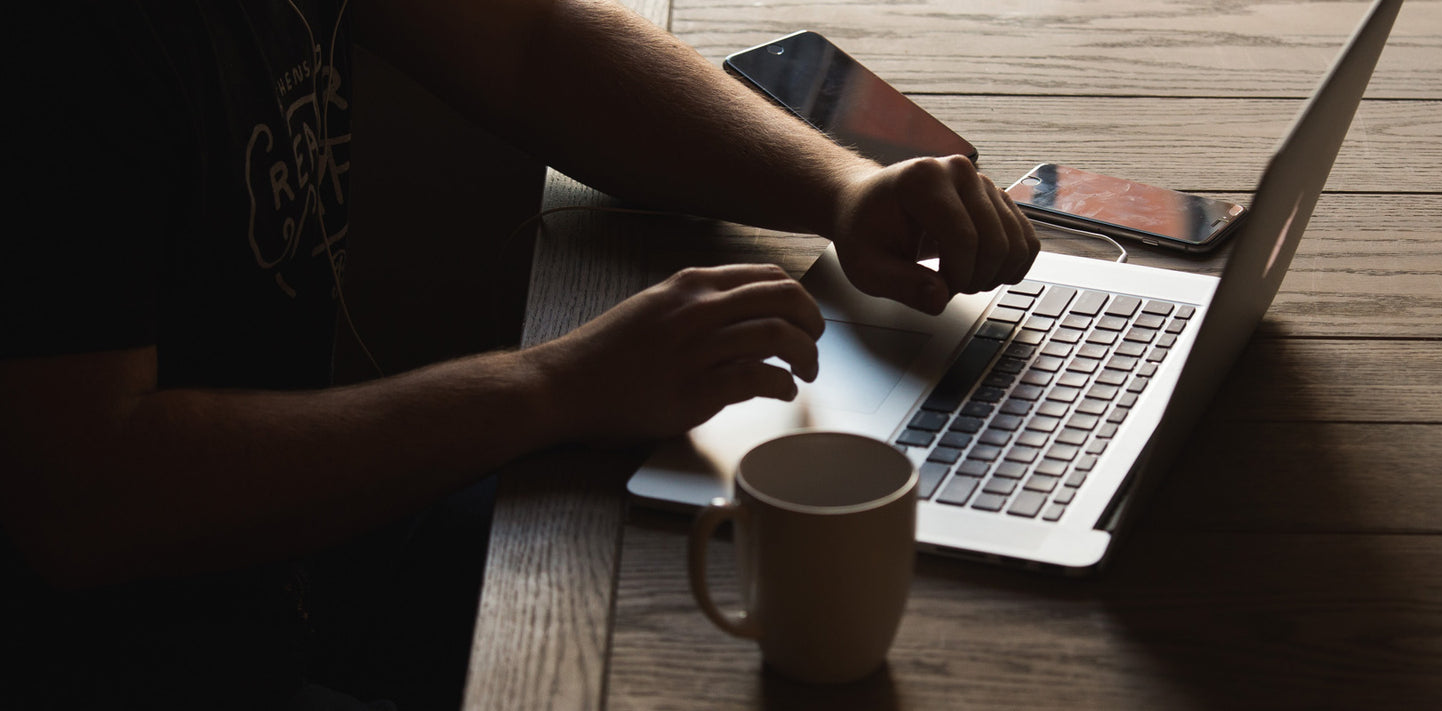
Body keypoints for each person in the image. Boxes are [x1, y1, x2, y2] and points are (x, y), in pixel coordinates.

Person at [1, 0, 1038, 707]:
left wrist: (839, 190)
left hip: (300, 554)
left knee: (740, 584)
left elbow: (527, 46)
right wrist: (556, 383)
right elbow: (88, 497)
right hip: (145, 655)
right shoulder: (57, 43)